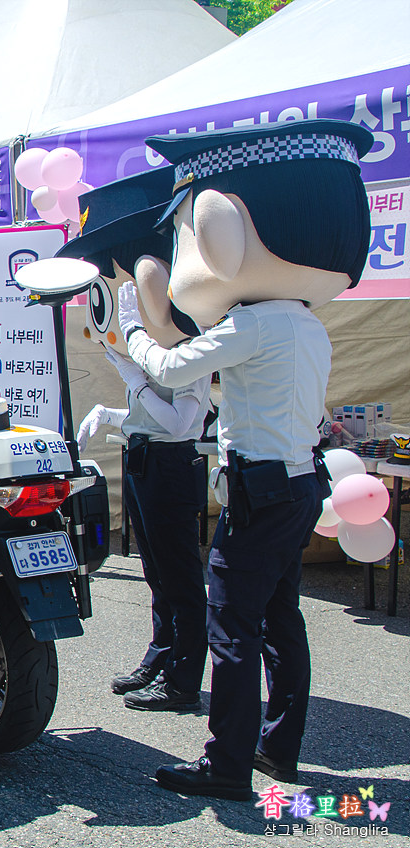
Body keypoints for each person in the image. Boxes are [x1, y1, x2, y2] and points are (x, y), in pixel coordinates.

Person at [121, 120, 374, 801]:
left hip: (260, 487)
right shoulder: (307, 322)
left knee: (232, 622)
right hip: (299, 482)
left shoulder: (253, 323)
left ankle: (226, 764)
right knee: (282, 621)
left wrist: (132, 334)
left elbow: (172, 369)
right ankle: (277, 749)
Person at [60, 171, 211, 712]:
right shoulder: (144, 343)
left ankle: (183, 679)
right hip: (146, 459)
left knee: (180, 576)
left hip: (173, 464)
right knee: (155, 571)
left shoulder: (186, 340)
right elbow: (151, 419)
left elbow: (180, 424)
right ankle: (160, 655)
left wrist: (134, 377)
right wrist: (115, 417)